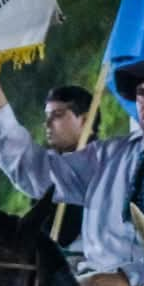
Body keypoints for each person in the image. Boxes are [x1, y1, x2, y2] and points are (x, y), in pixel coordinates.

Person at [0, 57, 144, 286]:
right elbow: (38, 173)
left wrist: (130, 277)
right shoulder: (110, 155)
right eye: (142, 93)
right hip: (92, 285)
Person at [40, 85, 100, 252]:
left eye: (57, 115)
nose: (47, 124)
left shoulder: (106, 169)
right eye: (46, 116)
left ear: (85, 121)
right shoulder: (48, 170)